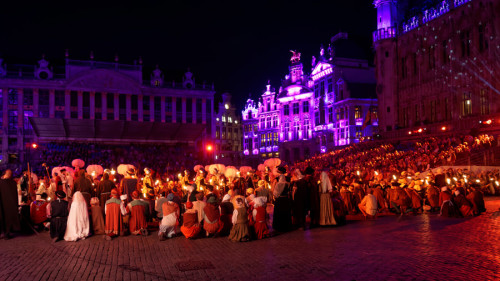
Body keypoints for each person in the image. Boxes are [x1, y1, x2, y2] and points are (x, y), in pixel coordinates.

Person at [0, 169, 21, 239]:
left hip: (6, 205)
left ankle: (6, 233)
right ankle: (6, 232)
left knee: (6, 219)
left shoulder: (11, 183)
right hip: (8, 205)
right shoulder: (12, 183)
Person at [272, 168, 292, 233]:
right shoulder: (288, 179)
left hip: (279, 199)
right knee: (286, 212)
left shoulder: (277, 179)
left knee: (279, 213)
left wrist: (274, 195)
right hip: (286, 198)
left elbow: (273, 189)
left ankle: (279, 227)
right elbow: (290, 188)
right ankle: (287, 226)